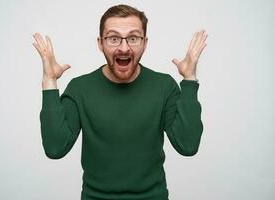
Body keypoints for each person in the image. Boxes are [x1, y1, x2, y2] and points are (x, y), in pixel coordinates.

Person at [33, 4, 207, 200]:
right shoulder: (80, 88)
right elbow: (55, 148)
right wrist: (49, 81)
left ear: (145, 43)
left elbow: (188, 146)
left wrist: (190, 79)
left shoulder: (164, 86)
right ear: (100, 43)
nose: (124, 48)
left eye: (133, 38)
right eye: (113, 38)